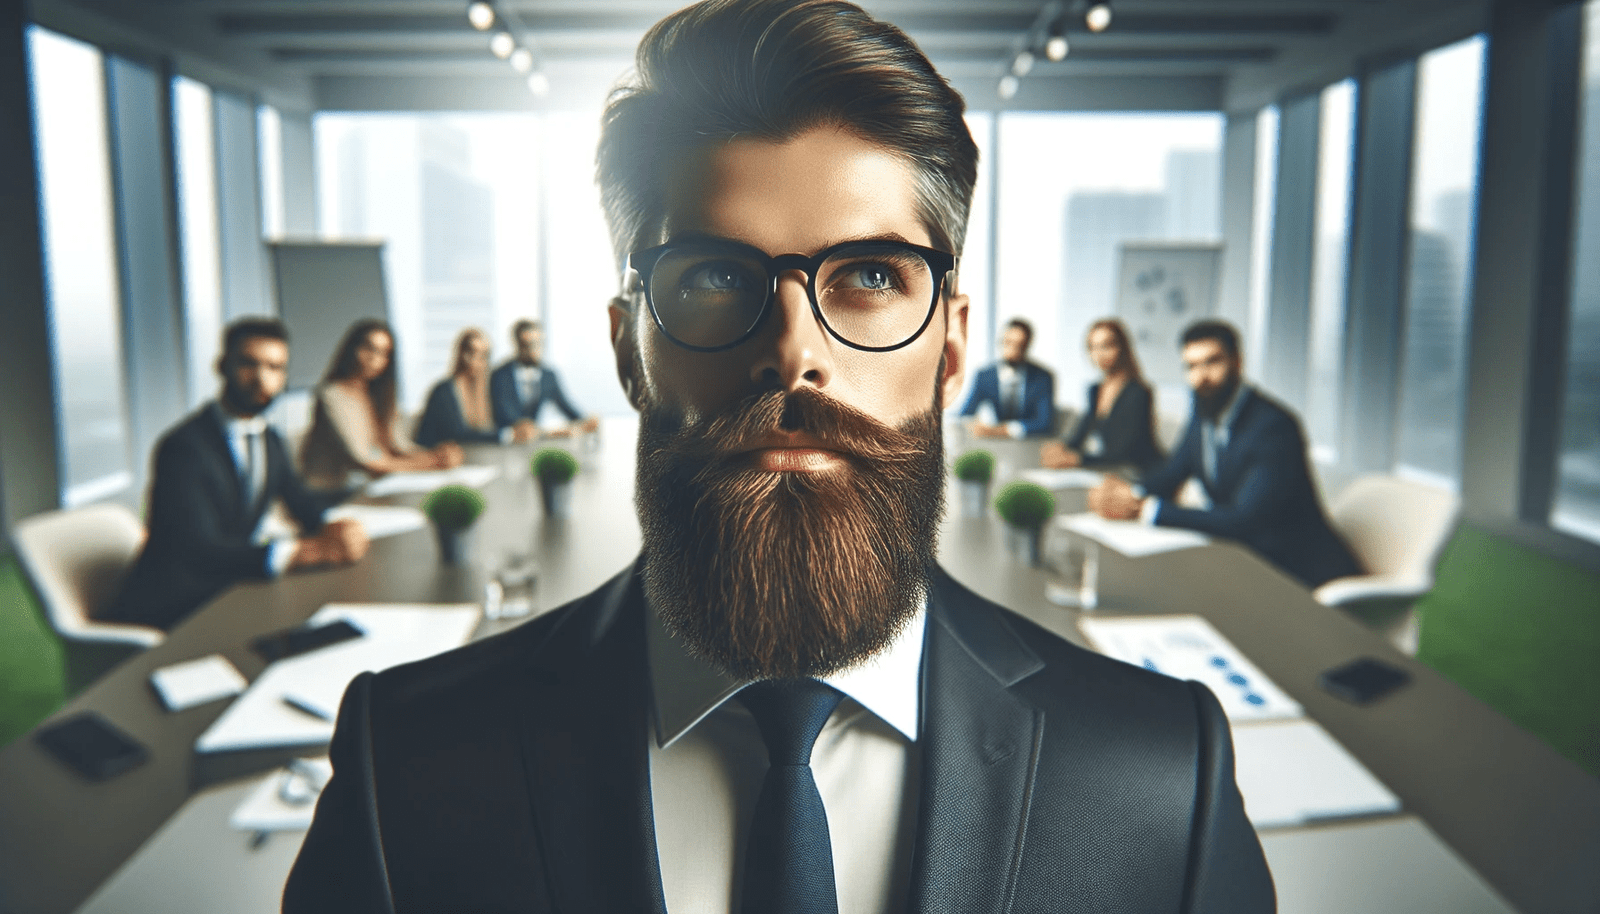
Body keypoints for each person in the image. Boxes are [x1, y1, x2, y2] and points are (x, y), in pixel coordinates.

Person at [284, 2, 1274, 912]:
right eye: (715, 272)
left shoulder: (1160, 773)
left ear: (953, 348)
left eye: (873, 274)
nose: (794, 350)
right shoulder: (401, 765)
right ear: (632, 344)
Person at [102, 319, 369, 632]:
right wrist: (299, 553)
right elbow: (198, 548)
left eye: (275, 368)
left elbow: (300, 499)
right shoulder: (183, 447)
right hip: (175, 607)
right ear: (222, 366)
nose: (262, 379)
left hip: (231, 588)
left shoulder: (270, 439)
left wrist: (334, 524)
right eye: (248, 364)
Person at [1089, 318, 1360, 589]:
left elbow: (1245, 520)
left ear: (1237, 362)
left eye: (1212, 362)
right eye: (1191, 366)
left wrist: (1146, 509)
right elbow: (1174, 470)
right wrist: (1128, 493)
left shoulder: (1273, 427)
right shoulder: (1206, 411)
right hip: (1244, 560)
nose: (1201, 377)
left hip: (1299, 574)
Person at [299, 319, 464, 490]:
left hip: (367, 486)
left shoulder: (376, 395)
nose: (374, 359)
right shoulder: (332, 395)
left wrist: (438, 455)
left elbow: (398, 445)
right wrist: (431, 463)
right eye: (369, 348)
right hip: (330, 492)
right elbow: (367, 460)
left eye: (384, 353)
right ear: (352, 349)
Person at [1041, 317, 1165, 477]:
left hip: (1140, 472)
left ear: (1122, 348)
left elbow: (1125, 452)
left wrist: (1078, 460)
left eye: (1106, 346)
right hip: (1111, 469)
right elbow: (1080, 436)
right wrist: (1061, 449)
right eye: (1092, 347)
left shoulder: (1138, 392)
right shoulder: (1095, 390)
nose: (1099, 354)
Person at [413, 328, 537, 447]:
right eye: (474, 354)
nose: (480, 362)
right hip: (431, 459)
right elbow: (458, 436)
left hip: (469, 458)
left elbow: (500, 420)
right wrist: (507, 435)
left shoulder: (486, 389)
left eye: (485, 356)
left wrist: (519, 427)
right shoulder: (444, 391)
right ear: (463, 355)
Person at [488, 318, 601, 438]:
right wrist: (546, 432)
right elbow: (506, 414)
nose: (533, 350)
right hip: (505, 443)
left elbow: (566, 407)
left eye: (538, 344)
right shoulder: (500, 375)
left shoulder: (548, 376)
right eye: (527, 345)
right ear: (517, 344)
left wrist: (585, 422)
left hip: (533, 444)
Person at [957, 317, 1057, 437]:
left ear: (1027, 345)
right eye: (1009, 343)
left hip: (1028, 443)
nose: (1013, 350)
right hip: (996, 444)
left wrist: (1004, 430)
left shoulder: (1042, 378)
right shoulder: (985, 376)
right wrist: (975, 426)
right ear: (1001, 342)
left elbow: (1044, 423)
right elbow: (965, 414)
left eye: (1020, 345)